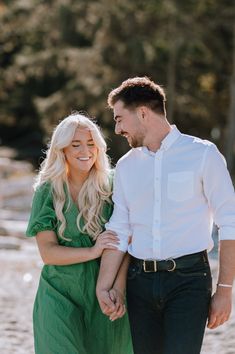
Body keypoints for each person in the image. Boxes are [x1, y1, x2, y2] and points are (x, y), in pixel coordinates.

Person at [96, 77, 235, 354]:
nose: (117, 128)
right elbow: (119, 230)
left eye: (120, 118)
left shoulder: (203, 154)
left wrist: (225, 289)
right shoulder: (125, 167)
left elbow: (229, 223)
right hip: (139, 283)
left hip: (189, 281)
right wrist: (104, 286)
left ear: (143, 113)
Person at [26, 113, 133, 354]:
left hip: (104, 292)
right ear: (62, 149)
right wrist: (93, 250)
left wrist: (118, 288)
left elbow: (128, 243)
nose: (85, 150)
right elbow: (48, 253)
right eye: (76, 145)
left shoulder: (114, 186)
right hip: (59, 293)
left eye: (91, 143)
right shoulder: (47, 191)